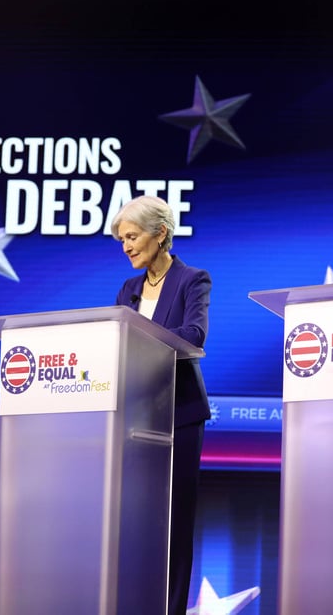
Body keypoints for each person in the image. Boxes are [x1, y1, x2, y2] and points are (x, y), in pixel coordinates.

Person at [111, 195, 211, 615]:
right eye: (121, 240)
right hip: (135, 417)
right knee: (136, 519)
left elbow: (194, 334)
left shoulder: (193, 279)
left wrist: (143, 340)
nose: (127, 247)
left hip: (180, 413)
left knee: (174, 521)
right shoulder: (129, 289)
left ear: (161, 235)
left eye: (132, 237)